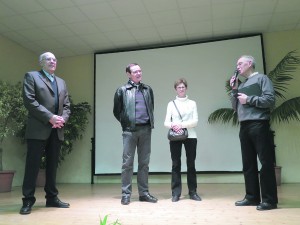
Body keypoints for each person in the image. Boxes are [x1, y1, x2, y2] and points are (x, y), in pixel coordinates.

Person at [20, 52, 71, 215]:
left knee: (52, 166)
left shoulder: (62, 82)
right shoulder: (32, 76)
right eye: (48, 59)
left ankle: (51, 198)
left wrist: (62, 119)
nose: (52, 61)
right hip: (38, 129)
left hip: (57, 129)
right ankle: (28, 201)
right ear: (41, 63)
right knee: (32, 167)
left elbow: (67, 105)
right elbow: (29, 100)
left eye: (55, 59)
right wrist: (50, 117)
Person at [230, 55, 278, 211]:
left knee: (265, 163)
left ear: (250, 63)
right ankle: (252, 197)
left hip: (259, 124)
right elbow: (235, 107)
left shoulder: (262, 79)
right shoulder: (242, 84)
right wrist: (235, 89)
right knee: (248, 164)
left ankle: (269, 201)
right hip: (244, 126)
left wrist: (249, 99)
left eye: (240, 63)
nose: (237, 66)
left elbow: (270, 100)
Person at [113, 63, 157, 205]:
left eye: (140, 71)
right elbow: (117, 111)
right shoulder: (122, 90)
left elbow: (151, 107)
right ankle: (126, 194)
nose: (139, 73)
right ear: (128, 74)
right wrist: (126, 123)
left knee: (144, 163)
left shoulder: (147, 89)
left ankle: (144, 194)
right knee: (127, 163)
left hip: (146, 130)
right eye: (135, 71)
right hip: (129, 131)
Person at [164, 78, 201, 202]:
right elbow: (166, 122)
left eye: (183, 87)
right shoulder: (171, 104)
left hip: (191, 136)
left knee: (191, 164)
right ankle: (176, 193)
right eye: (179, 87)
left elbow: (195, 121)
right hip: (175, 136)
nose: (181, 89)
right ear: (176, 89)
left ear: (186, 88)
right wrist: (173, 125)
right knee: (176, 164)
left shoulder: (192, 103)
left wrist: (181, 125)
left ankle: (193, 192)